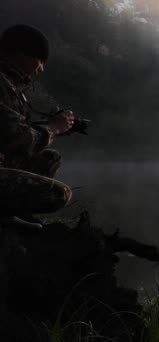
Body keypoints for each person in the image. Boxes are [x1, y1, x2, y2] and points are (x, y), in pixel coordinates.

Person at [0, 25, 75, 230]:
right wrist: (53, 129)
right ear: (21, 54)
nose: (41, 68)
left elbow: (9, 130)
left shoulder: (9, 85)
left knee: (49, 158)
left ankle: (12, 215)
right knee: (60, 194)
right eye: (39, 60)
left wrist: (52, 128)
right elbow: (19, 140)